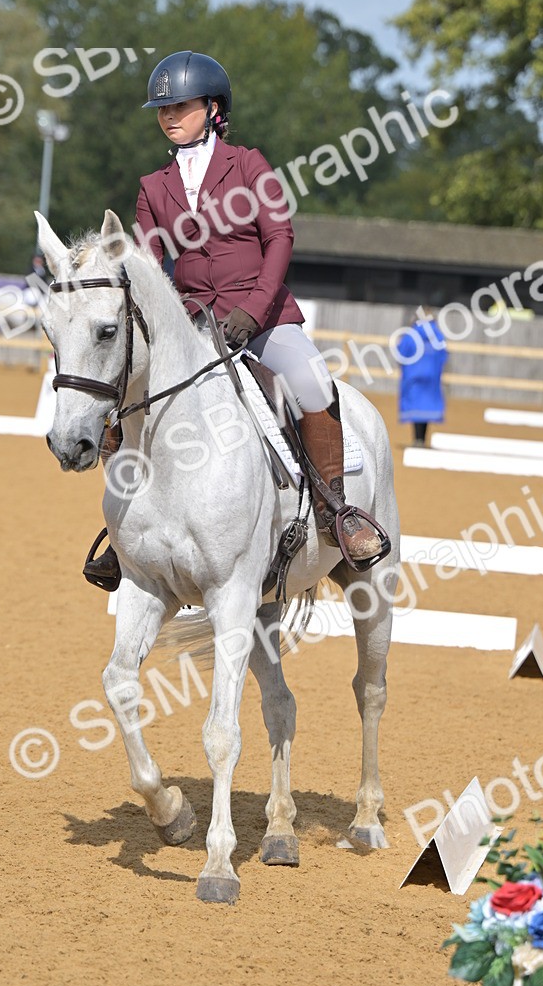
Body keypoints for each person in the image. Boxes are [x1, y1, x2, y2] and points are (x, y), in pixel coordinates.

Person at [83, 50, 384, 589]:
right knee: (130, 396)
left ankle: (337, 509)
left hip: (262, 317)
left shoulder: (248, 165)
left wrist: (255, 309)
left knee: (313, 382)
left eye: (182, 105)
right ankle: (130, 531)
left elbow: (279, 238)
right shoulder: (154, 187)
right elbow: (152, 269)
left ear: (214, 108)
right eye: (162, 108)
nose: (170, 116)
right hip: (196, 322)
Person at [397, 308, 448, 447]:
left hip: (413, 376)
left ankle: (417, 439)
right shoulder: (437, 335)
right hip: (431, 377)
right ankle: (422, 440)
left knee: (416, 407)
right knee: (427, 407)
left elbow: (401, 353)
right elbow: (443, 355)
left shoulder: (410, 335)